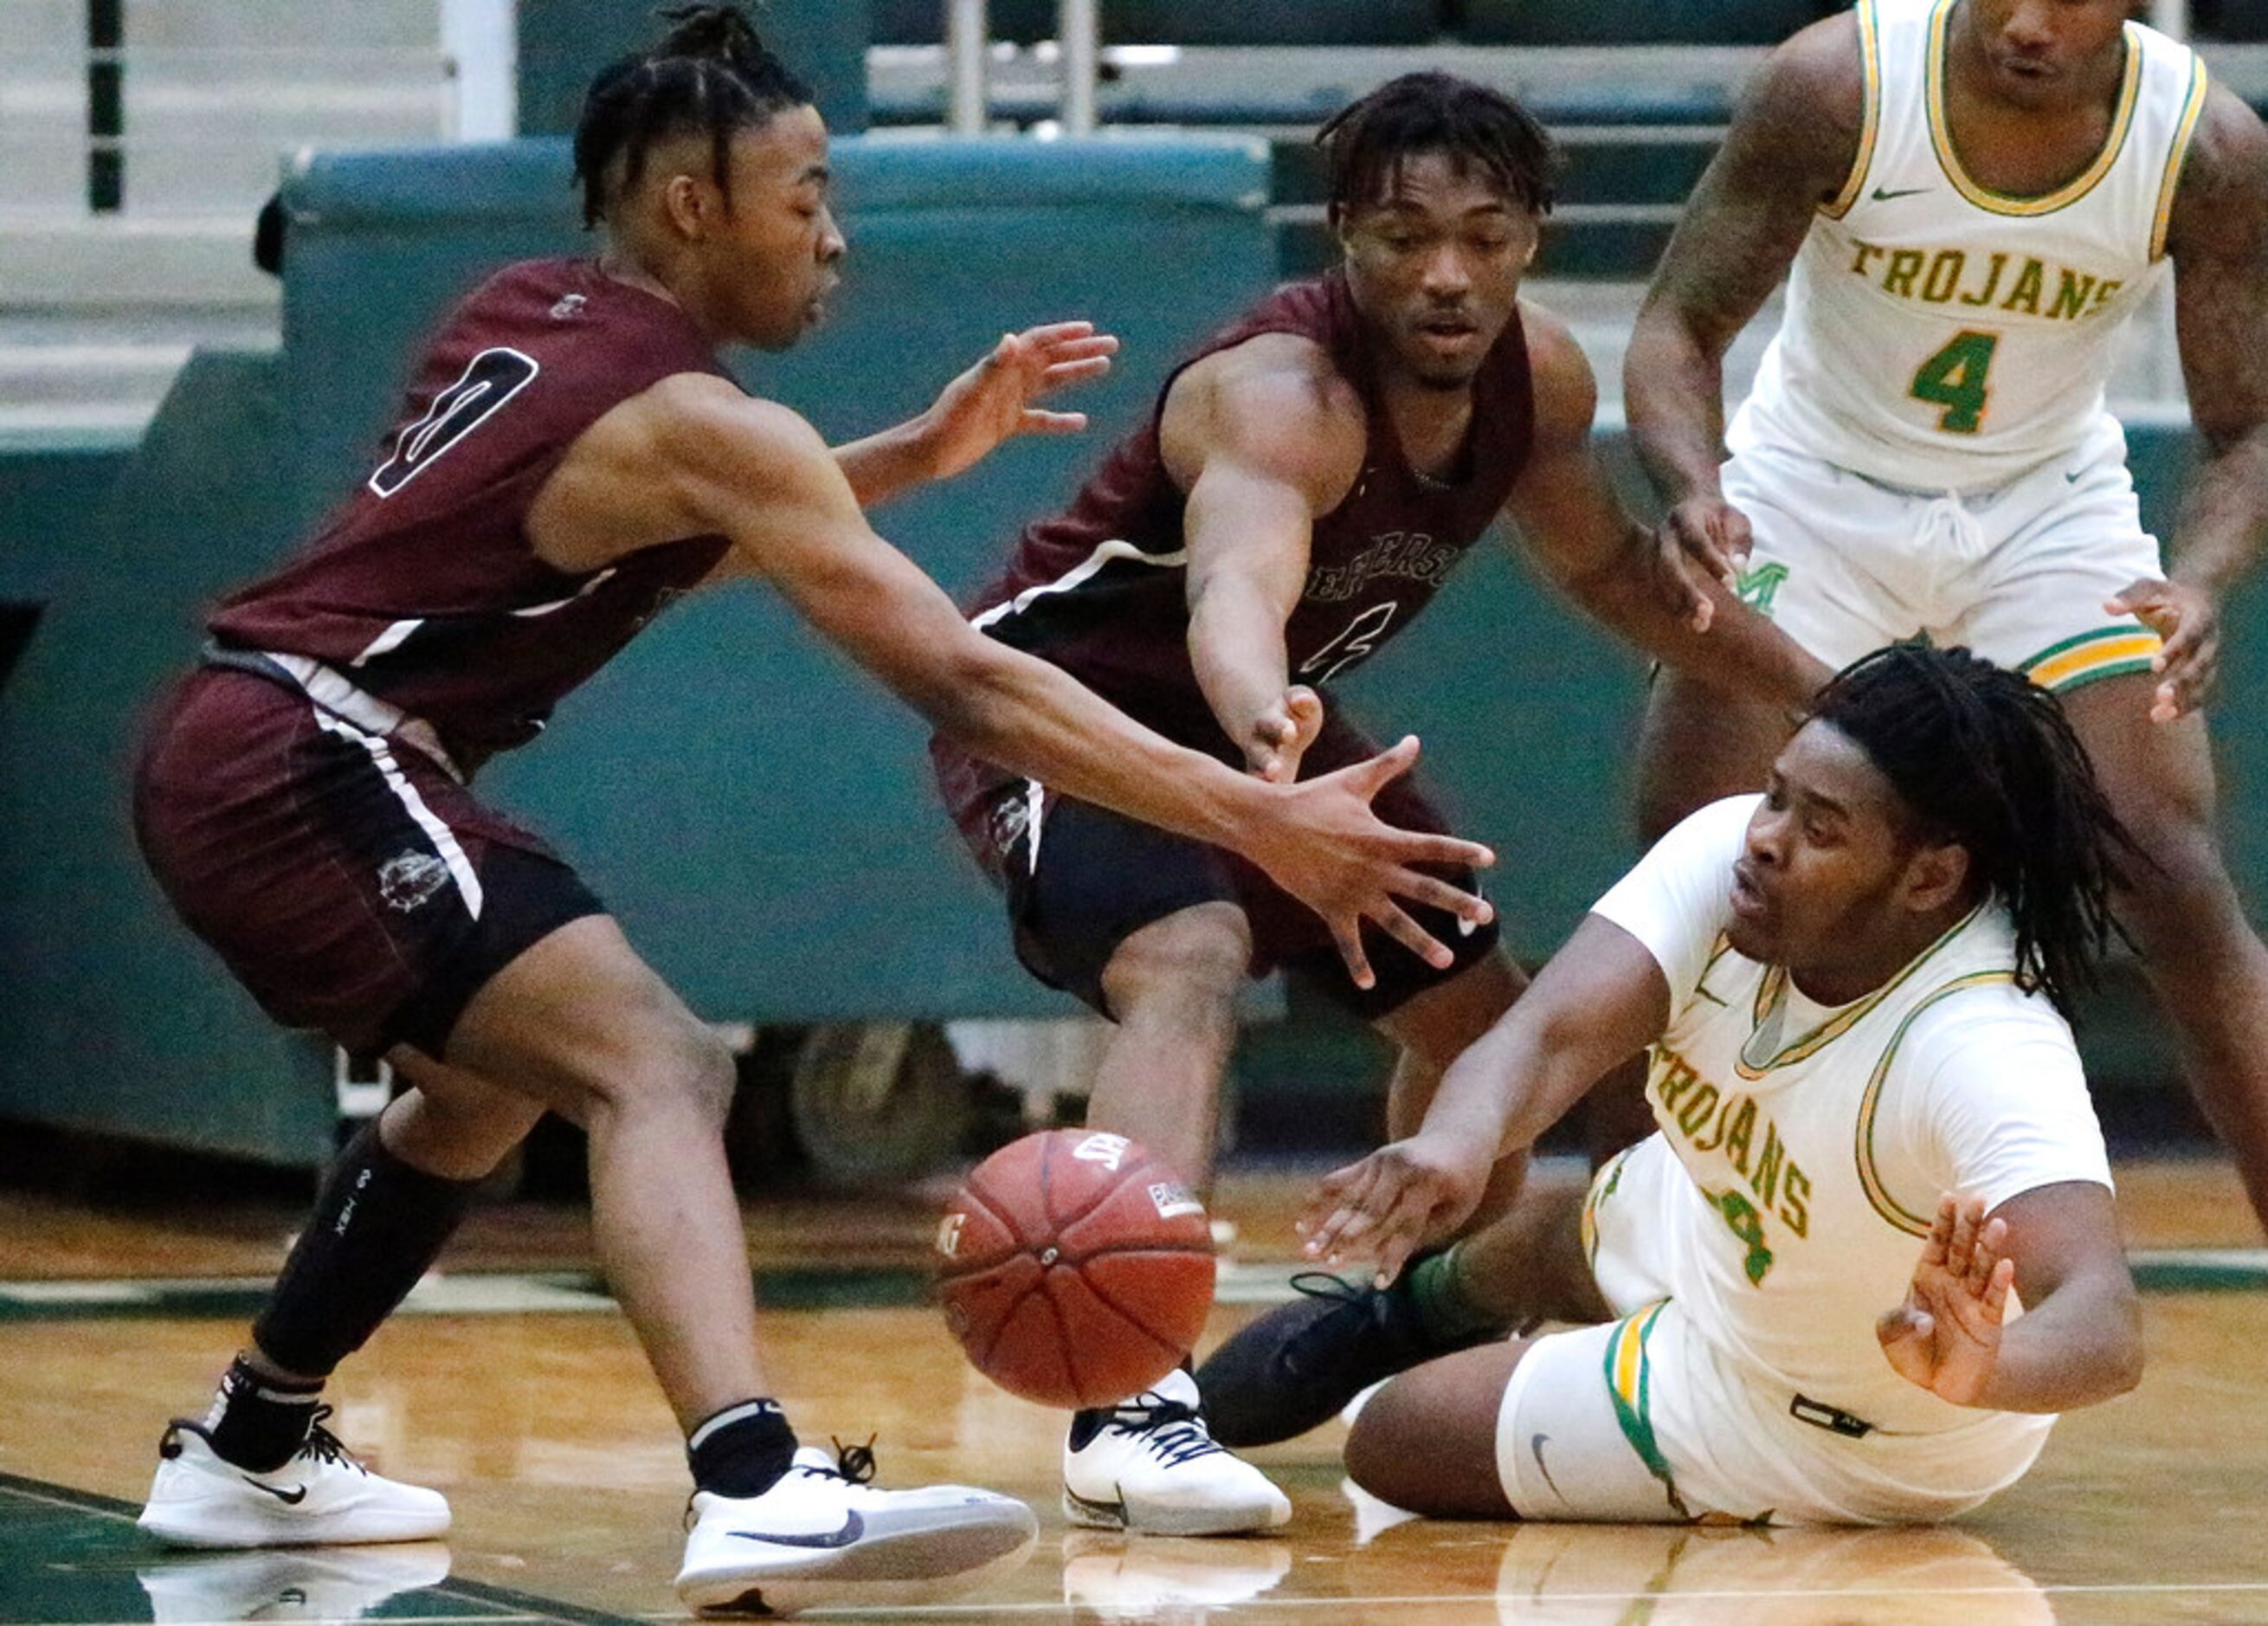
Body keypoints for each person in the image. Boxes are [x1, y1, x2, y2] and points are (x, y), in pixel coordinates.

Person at [126, 10, 1505, 1616]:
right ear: (694, 207)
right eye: (806, 196)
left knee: (488, 1090)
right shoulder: (707, 422)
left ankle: (251, 1439)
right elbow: (971, 687)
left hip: (256, 741)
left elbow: (635, 529)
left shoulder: (527, 315)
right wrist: (1254, 817)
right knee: (658, 1060)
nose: (834, 237)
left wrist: (911, 455)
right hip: (316, 755)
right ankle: (753, 1480)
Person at [931, 70, 1830, 1534]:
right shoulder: (1280, 395)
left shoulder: (1540, 380)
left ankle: (1387, 1317)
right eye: (1406, 235)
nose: (1447, 273)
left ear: (1534, 235)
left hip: (1276, 734)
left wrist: (1823, 687)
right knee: (1187, 952)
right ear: (1344, 234)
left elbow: (1610, 573)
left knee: (1495, 1036)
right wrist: (1259, 730)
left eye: (1484, 234)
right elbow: (1238, 587)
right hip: (1074, 705)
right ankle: (1128, 1403)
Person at [1622, 0, 2268, 1232]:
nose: (2028, 25)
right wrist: (1693, 488)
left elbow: (2248, 427)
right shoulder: (1841, 82)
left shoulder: (2206, 146)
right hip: (1811, 490)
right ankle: (1616, 1269)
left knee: (2171, 870)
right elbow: (1677, 327)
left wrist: (2200, 578)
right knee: (1697, 872)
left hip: (2044, 503)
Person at [1300, 643, 2144, 1527]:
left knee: (1391, 1436)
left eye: (1819, 829)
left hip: (1820, 1421)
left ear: (1928, 877)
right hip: (1723, 1215)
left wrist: (1983, 1368)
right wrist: (1454, 1143)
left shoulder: (1979, 1046)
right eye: (1776, 793)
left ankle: (1564, 1356)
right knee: (1552, 1234)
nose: (1766, 837)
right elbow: (1547, 1038)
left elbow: (2103, 1317)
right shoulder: (1733, 858)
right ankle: (1421, 1309)